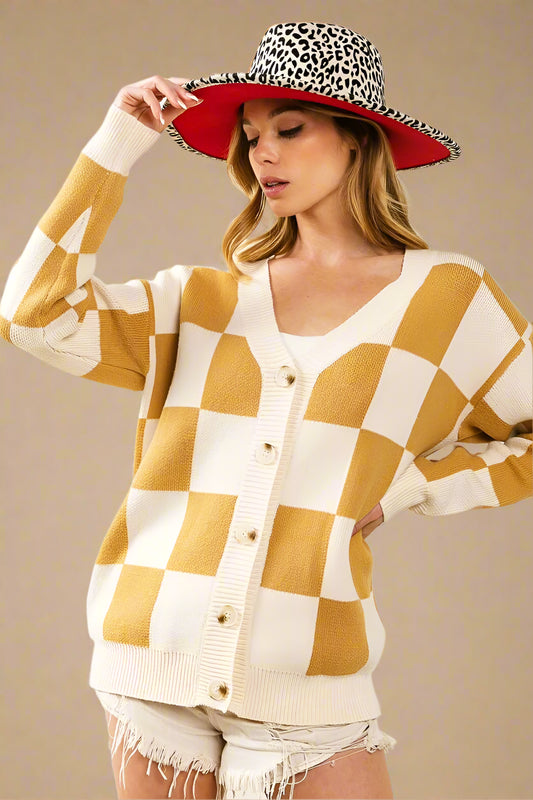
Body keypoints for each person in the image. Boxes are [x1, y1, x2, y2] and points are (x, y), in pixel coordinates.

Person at [1, 20, 531, 800]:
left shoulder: (448, 298)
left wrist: (412, 488)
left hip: (308, 672)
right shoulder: (201, 301)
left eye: (288, 128)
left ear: (358, 141)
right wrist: (117, 143)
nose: (264, 154)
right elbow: (34, 315)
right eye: (250, 138)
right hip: (153, 656)